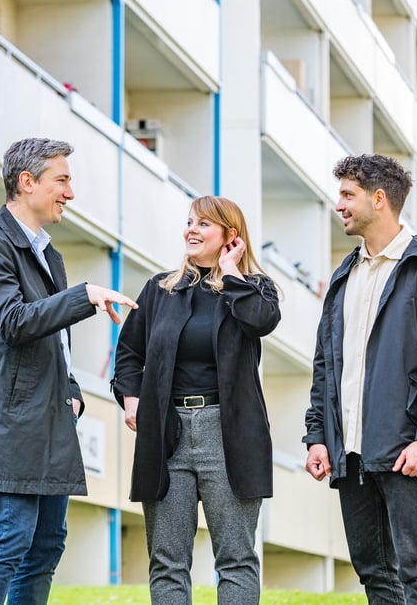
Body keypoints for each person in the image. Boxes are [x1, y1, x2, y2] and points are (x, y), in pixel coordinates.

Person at [0, 137, 138, 605]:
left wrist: (73, 388)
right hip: (12, 420)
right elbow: (13, 322)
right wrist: (84, 296)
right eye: (62, 180)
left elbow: (50, 342)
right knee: (9, 540)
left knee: (45, 546)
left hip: (51, 415)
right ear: (27, 182)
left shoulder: (45, 253)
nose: (70, 193)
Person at [303, 154, 417, 605]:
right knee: (374, 571)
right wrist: (318, 436)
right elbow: (326, 365)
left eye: (348, 195)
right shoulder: (344, 275)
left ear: (379, 199)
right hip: (350, 452)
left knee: (416, 568)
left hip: (404, 448)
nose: (339, 205)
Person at [113, 196, 280, 605]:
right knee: (167, 560)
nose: (191, 230)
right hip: (167, 434)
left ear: (230, 237)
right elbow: (130, 352)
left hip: (229, 434)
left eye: (204, 224)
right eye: (189, 222)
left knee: (236, 559)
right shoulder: (160, 289)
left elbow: (262, 321)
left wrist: (230, 273)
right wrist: (132, 399)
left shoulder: (254, 289)